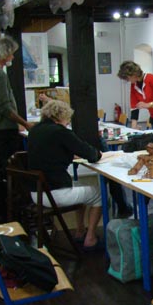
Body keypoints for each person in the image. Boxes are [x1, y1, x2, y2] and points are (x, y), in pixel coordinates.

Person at [28, 100, 104, 251]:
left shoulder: (35, 130)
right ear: (61, 116)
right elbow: (92, 154)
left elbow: (50, 152)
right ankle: (90, 238)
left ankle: (80, 230)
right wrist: (97, 153)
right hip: (55, 193)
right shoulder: (60, 132)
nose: (68, 122)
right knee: (100, 194)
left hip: (36, 192)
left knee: (82, 187)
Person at [0, 36, 33, 219]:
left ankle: (0, 210)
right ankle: (13, 211)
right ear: (4, 54)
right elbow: (5, 107)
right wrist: (25, 123)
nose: (12, 57)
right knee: (11, 170)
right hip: (5, 129)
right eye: (11, 54)